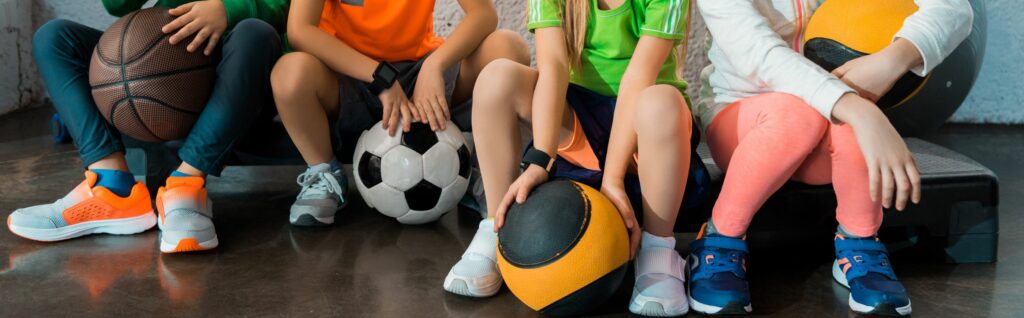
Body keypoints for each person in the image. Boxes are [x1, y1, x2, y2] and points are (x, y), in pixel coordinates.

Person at [690, 0, 973, 315]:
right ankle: (720, 236)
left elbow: (955, 9)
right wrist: (860, 110)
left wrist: (893, 60)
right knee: (805, 116)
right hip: (743, 119)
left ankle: (859, 241)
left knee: (850, 123)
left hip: (828, 121)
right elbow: (760, 55)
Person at [444, 0, 707, 316]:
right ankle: (495, 228)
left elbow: (640, 76)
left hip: (644, 128)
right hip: (579, 119)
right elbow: (553, 65)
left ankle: (658, 251)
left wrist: (613, 176)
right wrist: (542, 157)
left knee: (661, 102)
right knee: (496, 77)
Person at [8, 0, 287, 253]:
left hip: (244, 76)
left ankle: (186, 187)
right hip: (166, 65)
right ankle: (112, 186)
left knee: (255, 32)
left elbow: (287, 6)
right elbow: (117, 5)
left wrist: (228, 10)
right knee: (55, 38)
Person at [270, 0, 530, 227]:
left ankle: (482, 169)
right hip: (349, 72)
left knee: (508, 48)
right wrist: (380, 78)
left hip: (419, 71)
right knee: (289, 74)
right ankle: (325, 173)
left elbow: (484, 14)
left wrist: (434, 66)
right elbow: (300, 30)